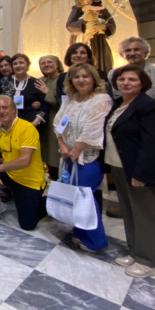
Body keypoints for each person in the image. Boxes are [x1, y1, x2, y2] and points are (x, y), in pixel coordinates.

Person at [104, 64, 155, 277]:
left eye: (132, 80)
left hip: (142, 170)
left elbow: (153, 144)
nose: (125, 83)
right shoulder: (118, 103)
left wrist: (141, 173)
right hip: (120, 166)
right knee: (130, 212)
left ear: (142, 84)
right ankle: (136, 252)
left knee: (146, 215)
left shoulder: (149, 107)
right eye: (122, 79)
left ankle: (149, 261)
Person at [108, 36, 155, 221]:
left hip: (152, 134)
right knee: (125, 171)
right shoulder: (114, 74)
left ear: (146, 52)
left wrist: (150, 121)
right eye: (128, 51)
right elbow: (117, 103)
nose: (132, 53)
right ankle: (126, 207)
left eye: (136, 50)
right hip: (125, 135)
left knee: (152, 172)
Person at [53, 63, 112, 252]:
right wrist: (62, 145)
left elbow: (92, 129)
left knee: (84, 197)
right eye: (77, 77)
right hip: (69, 155)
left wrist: (76, 150)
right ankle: (79, 233)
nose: (81, 80)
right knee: (74, 195)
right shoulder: (70, 99)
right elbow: (58, 123)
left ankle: (96, 241)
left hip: (88, 157)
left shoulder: (101, 99)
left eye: (86, 76)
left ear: (94, 78)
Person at [0, 95, 46, 230]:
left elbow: (25, 160)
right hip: (9, 173)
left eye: (5, 107)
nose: (1, 111)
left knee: (27, 225)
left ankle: (47, 202)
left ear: (13, 109)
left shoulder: (27, 128)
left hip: (29, 181)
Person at [66, 0, 116, 73]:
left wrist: (103, 27)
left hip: (99, 41)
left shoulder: (104, 11)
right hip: (83, 37)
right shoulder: (79, 8)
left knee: (100, 65)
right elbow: (70, 25)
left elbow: (112, 26)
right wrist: (84, 20)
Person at [36, 55, 64, 180]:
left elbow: (65, 101)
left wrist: (47, 92)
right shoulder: (40, 80)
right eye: (43, 63)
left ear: (57, 64)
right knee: (46, 153)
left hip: (58, 121)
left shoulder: (64, 79)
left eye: (49, 62)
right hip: (43, 123)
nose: (46, 65)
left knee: (55, 155)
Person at [0, 53, 48, 126]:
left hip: (30, 124)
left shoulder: (36, 82)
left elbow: (44, 107)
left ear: (27, 65)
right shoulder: (5, 80)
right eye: (15, 63)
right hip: (7, 124)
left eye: (21, 63)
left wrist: (34, 123)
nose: (18, 66)